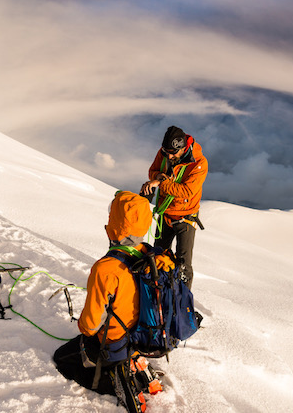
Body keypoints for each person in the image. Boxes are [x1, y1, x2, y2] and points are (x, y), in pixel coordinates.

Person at [53, 191, 175, 397]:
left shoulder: (106, 268)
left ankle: (116, 382)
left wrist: (83, 327)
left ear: (115, 223)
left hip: (114, 342)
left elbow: (90, 325)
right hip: (146, 337)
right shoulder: (153, 256)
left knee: (63, 358)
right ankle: (136, 361)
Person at [139, 126, 207, 289]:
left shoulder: (199, 163)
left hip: (186, 217)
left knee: (183, 265)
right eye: (166, 151)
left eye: (173, 152)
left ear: (183, 148)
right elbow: (152, 171)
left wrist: (161, 182)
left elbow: (186, 192)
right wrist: (159, 177)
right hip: (165, 213)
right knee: (157, 257)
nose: (169, 156)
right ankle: (157, 291)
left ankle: (182, 301)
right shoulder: (163, 153)